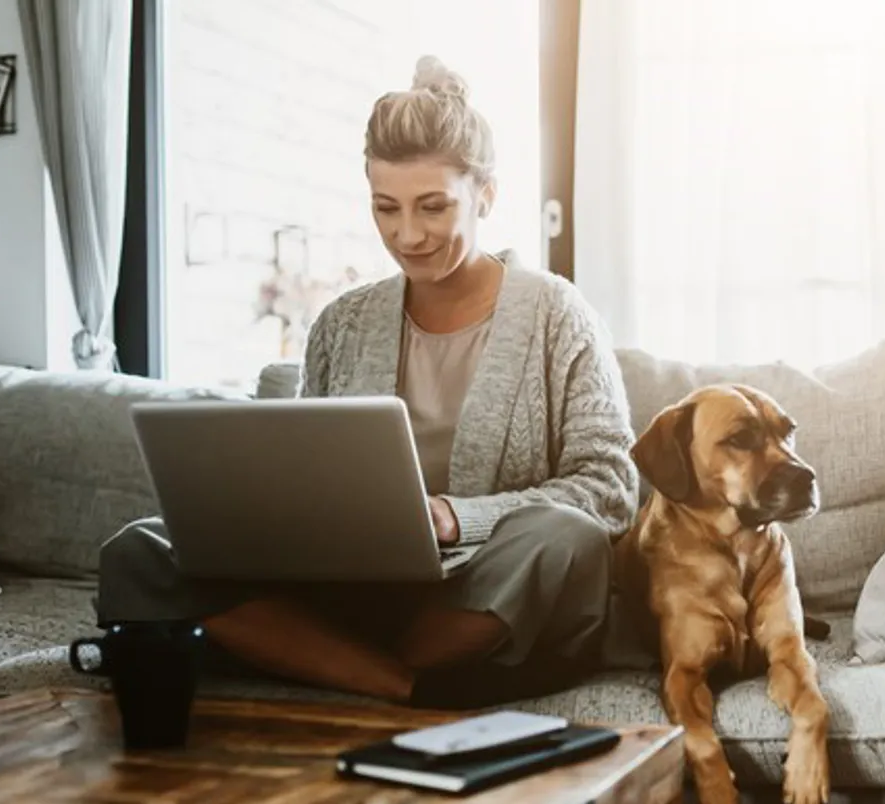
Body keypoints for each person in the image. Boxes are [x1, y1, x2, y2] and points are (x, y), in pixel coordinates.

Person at [96, 56, 639, 709]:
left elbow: (608, 491)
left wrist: (452, 518)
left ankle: (307, 655)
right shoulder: (342, 322)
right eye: (386, 208)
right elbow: (304, 475)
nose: (407, 234)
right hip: (354, 589)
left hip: (484, 592)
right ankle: (402, 684)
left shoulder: (558, 315)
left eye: (433, 207)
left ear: (486, 195)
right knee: (138, 550)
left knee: (564, 537)